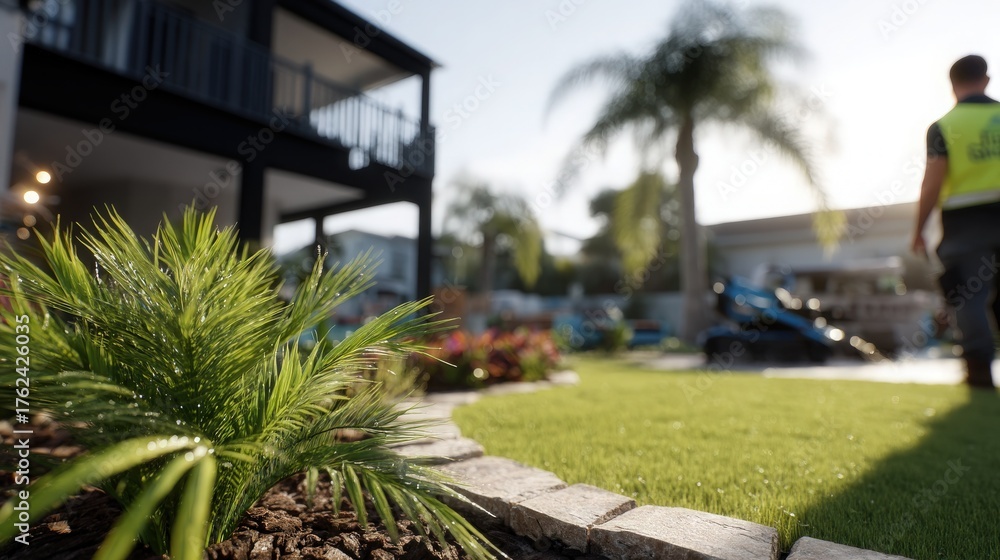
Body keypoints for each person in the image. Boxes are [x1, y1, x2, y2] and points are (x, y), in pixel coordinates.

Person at [912, 54, 1000, 389]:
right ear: (986, 79)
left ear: (952, 86)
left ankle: (979, 374)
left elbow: (932, 183)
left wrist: (918, 230)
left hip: (966, 226)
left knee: (968, 298)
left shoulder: (943, 127)